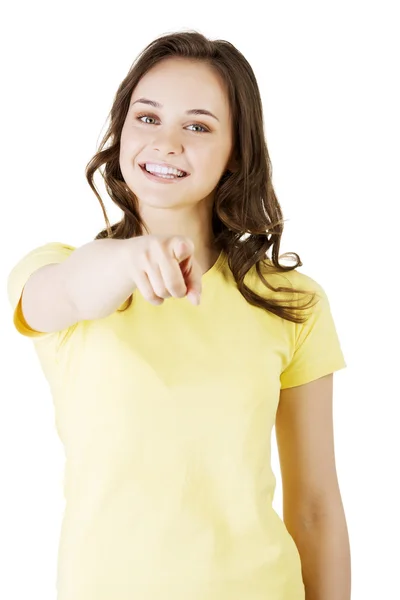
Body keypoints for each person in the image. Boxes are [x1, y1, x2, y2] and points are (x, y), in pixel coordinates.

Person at [6, 30, 351, 600]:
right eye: (146, 118)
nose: (166, 142)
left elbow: (314, 506)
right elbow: (67, 294)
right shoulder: (55, 272)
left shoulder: (293, 302)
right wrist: (132, 255)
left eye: (197, 126)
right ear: (120, 133)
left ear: (236, 151)